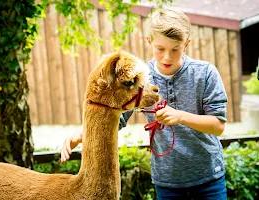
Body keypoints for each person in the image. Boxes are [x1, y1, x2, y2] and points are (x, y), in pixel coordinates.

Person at [61, 7, 228, 200]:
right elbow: (117, 119)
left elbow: (218, 126)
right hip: (167, 183)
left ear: (186, 44)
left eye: (175, 49)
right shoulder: (139, 78)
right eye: (160, 49)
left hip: (208, 180)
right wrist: (80, 135)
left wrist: (180, 116)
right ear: (149, 42)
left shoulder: (205, 73)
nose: (167, 57)